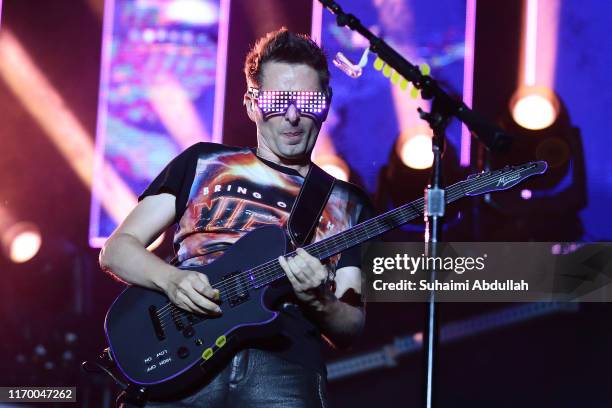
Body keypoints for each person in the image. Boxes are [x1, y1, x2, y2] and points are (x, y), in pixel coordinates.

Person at [100, 28, 373, 407]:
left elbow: (350, 325)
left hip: (284, 364)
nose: (293, 116)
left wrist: (318, 299)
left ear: (325, 103)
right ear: (251, 104)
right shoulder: (203, 162)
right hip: (184, 352)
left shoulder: (346, 200)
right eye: (278, 100)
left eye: (308, 100)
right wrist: (172, 280)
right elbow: (117, 250)